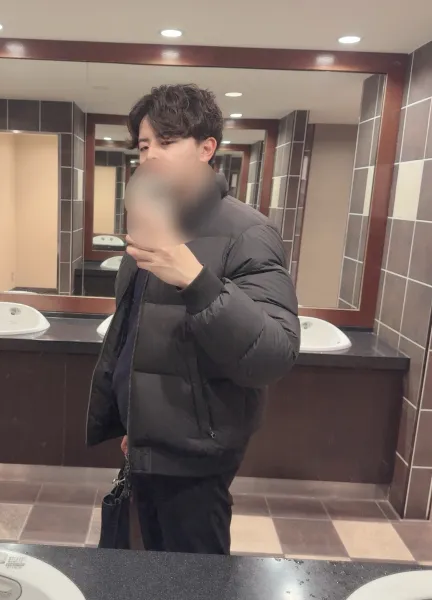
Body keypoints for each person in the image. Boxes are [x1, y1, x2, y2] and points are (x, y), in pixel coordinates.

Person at [87, 83, 300, 555]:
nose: (151, 156)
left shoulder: (248, 231)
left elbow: (274, 354)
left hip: (199, 453)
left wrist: (196, 280)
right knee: (145, 567)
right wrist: (135, 421)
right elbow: (136, 335)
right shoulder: (151, 221)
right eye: (145, 145)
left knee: (195, 576)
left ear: (207, 148)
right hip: (149, 442)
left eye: (167, 142)